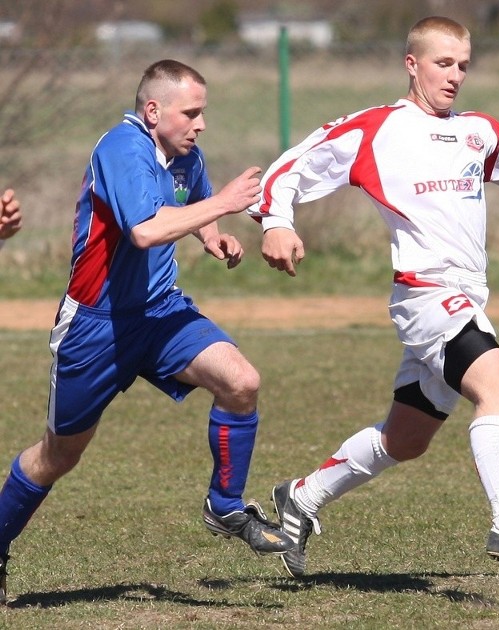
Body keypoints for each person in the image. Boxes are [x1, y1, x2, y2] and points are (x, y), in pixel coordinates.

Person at [249, 16, 499, 579]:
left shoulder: (478, 130)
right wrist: (275, 222)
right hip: (425, 294)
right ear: (412, 64)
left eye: (463, 65)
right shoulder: (376, 128)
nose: (455, 75)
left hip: (466, 296)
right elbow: (290, 167)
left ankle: (301, 498)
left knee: (404, 440)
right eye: (443, 63)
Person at [0, 59, 293, 605]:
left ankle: (225, 506)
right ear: (154, 110)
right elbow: (144, 229)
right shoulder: (120, 148)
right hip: (95, 327)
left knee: (241, 381)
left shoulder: (185, 155)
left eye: (203, 112)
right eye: (192, 112)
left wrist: (213, 235)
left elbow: (189, 200)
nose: (201, 124)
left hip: (160, 313)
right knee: (57, 456)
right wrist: (225, 204)